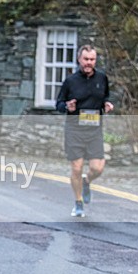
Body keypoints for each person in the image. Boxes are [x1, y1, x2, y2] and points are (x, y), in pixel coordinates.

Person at [56, 44, 114, 218]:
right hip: (74, 130)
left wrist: (107, 104)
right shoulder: (70, 81)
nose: (89, 63)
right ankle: (78, 202)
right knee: (77, 167)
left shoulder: (102, 78)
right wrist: (67, 106)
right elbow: (58, 105)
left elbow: (105, 97)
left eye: (92, 59)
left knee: (97, 168)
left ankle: (86, 181)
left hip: (94, 130)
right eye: (86, 59)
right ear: (79, 60)